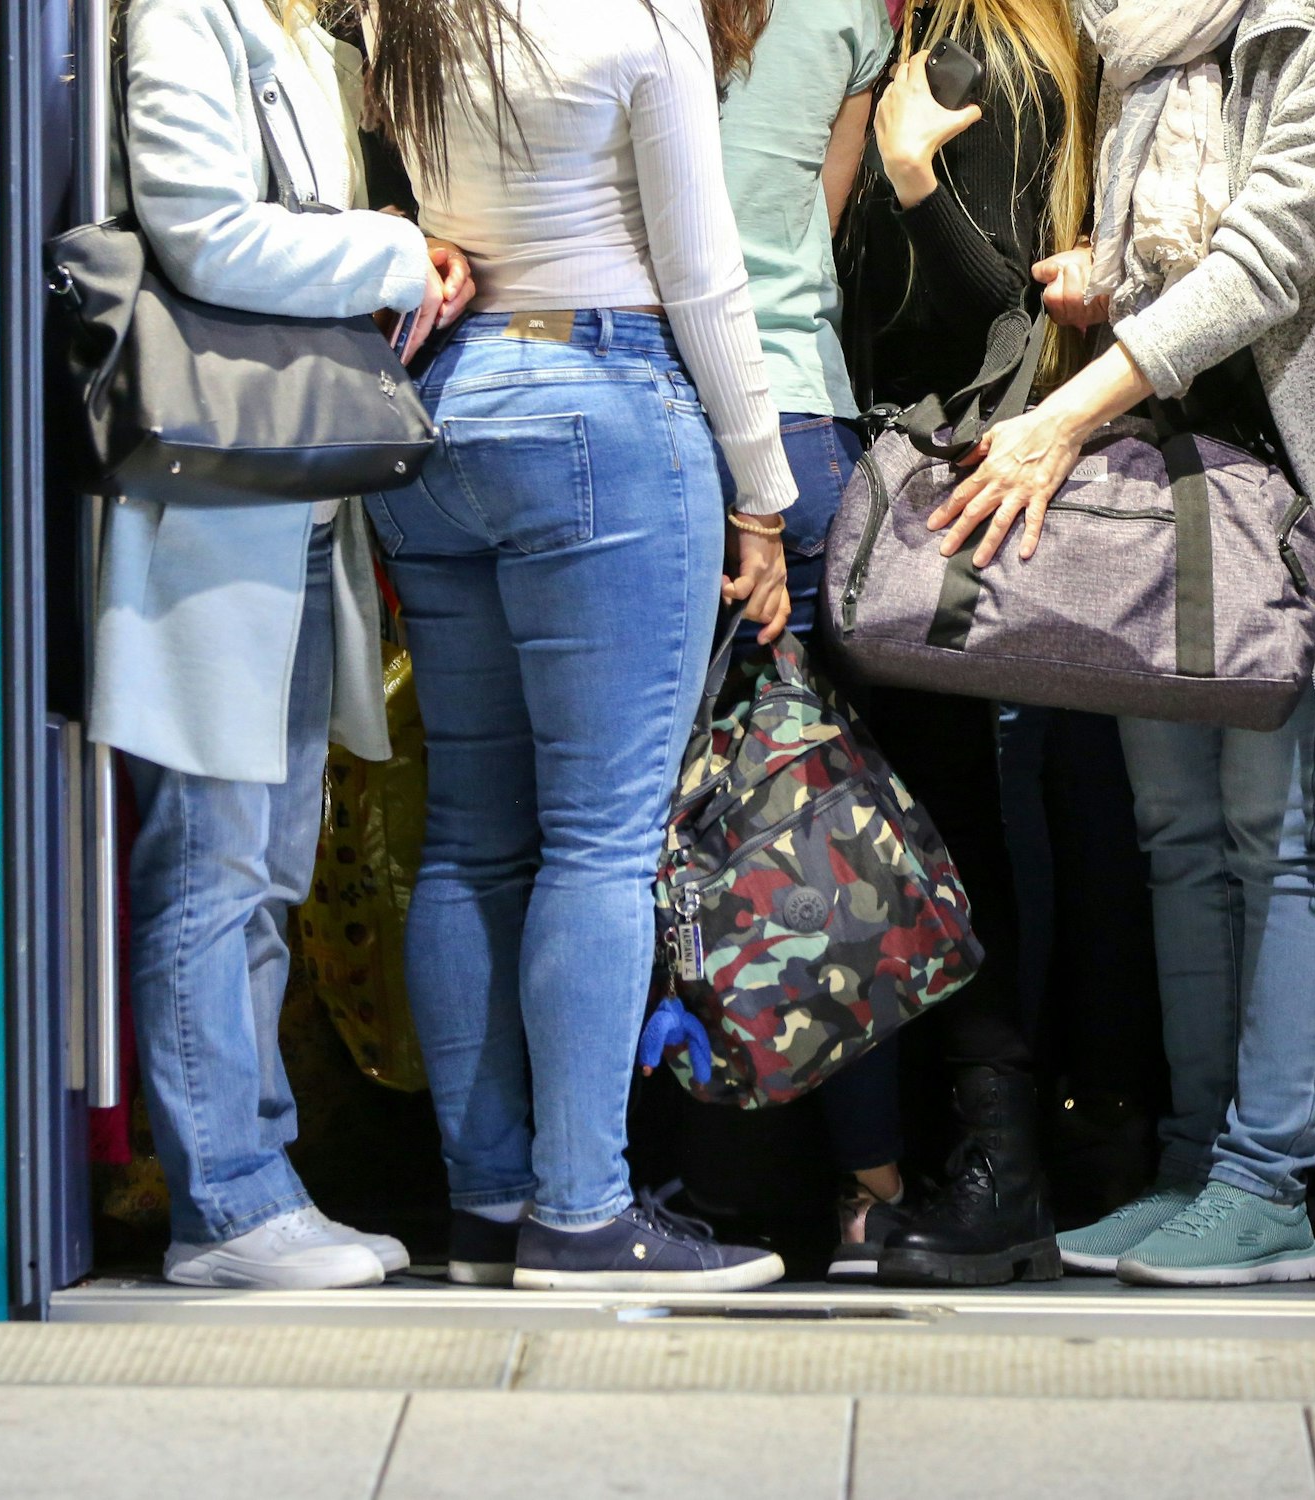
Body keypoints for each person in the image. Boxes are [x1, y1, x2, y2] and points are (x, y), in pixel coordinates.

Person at [952, 0, 1315, 1285]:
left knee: (1283, 833)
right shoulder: (1147, 31)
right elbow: (1160, 253)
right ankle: (1190, 1165)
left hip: (1295, 483)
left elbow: (1266, 259)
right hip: (1167, 476)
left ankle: (1264, 1184)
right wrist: (1105, 276)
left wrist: (1063, 414)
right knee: (1175, 836)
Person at [363, 0, 795, 1292]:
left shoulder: (407, 18)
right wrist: (762, 490)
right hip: (598, 410)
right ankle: (584, 1213)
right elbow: (703, 275)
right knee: (601, 840)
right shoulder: (638, 19)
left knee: (469, 837)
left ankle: (488, 1205)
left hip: (442, 412)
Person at [103, 0, 474, 1289]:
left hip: (287, 507)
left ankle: (254, 1181)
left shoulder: (293, 33)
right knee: (215, 857)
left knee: (258, 861)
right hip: (216, 507)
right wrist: (391, 256)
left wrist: (395, 253)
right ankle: (226, 1203)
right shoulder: (183, 19)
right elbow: (204, 233)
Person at [842, 0, 1091, 1288]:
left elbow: (997, 303)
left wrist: (900, 176)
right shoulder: (933, 38)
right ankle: (974, 1158)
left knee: (949, 822)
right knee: (956, 819)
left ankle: (993, 1162)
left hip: (935, 485)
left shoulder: (971, 51)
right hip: (924, 484)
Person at [714, 0, 902, 1282]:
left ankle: (690, 1180)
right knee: (821, 821)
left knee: (652, 835)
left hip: (649, 406)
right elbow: (811, 227)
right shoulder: (847, 13)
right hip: (793, 420)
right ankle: (871, 1183)